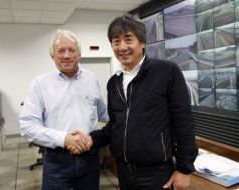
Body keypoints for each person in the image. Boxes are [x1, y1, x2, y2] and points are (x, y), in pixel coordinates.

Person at [68, 14, 198, 190]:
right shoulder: (114, 83)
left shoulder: (167, 72)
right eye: (116, 41)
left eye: (128, 39)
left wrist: (184, 169)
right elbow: (115, 125)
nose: (122, 47)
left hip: (157, 173)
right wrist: (90, 139)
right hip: (124, 171)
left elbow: (183, 121)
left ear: (142, 42)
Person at [19, 29, 109, 190]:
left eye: (72, 50)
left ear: (79, 55)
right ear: (52, 56)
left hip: (90, 158)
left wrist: (128, 118)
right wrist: (64, 138)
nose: (66, 55)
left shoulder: (91, 79)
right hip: (57, 162)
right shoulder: (39, 84)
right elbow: (27, 127)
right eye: (60, 51)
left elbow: (103, 113)